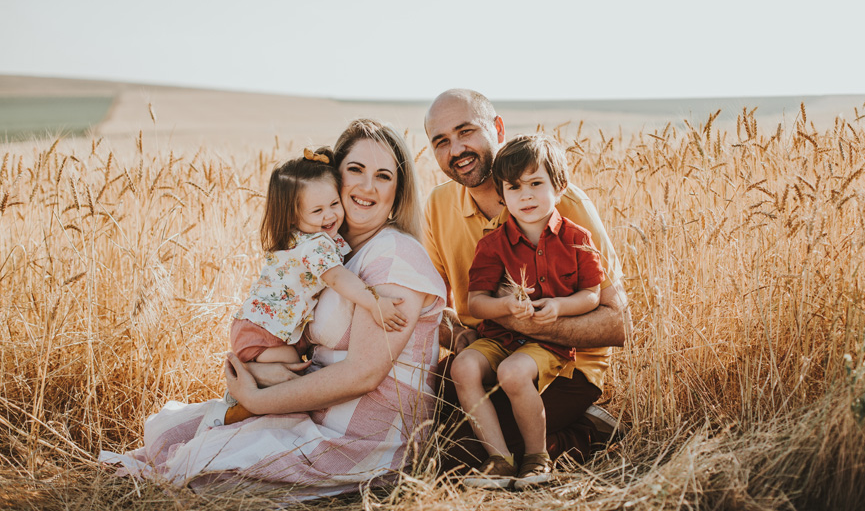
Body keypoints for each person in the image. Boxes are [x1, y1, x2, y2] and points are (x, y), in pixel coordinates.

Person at [100, 119, 447, 500]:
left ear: (398, 192)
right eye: (355, 170)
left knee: (199, 462)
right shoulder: (330, 250)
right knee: (172, 435)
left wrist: (257, 400)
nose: (367, 187)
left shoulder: (394, 255)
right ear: (333, 177)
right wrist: (262, 369)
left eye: (383, 176)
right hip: (316, 411)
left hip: (362, 438)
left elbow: (363, 374)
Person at [423, 88, 630, 472]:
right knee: (416, 431)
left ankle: (585, 430)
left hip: (563, 364)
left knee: (460, 460)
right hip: (489, 354)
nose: (456, 150)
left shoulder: (563, 204)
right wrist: (458, 334)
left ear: (497, 128)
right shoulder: (438, 205)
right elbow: (436, 306)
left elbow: (619, 324)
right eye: (441, 141)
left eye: (466, 131)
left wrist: (525, 321)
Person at [453, 134, 607, 489]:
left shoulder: (576, 239)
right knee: (462, 367)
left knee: (513, 372)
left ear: (559, 186)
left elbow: (592, 294)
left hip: (546, 345)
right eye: (514, 187)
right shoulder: (492, 244)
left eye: (536, 184)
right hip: (498, 337)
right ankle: (499, 459)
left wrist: (559, 306)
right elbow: (476, 301)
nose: (525, 195)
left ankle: (538, 459)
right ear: (501, 194)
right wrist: (504, 306)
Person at [223, 146, 406, 423]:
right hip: (264, 332)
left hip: (259, 326)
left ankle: (248, 394)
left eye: (334, 204)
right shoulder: (316, 245)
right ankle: (243, 405)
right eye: (317, 210)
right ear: (294, 218)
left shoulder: (308, 238)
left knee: (289, 376)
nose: (329, 216)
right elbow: (338, 278)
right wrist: (374, 301)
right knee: (291, 379)